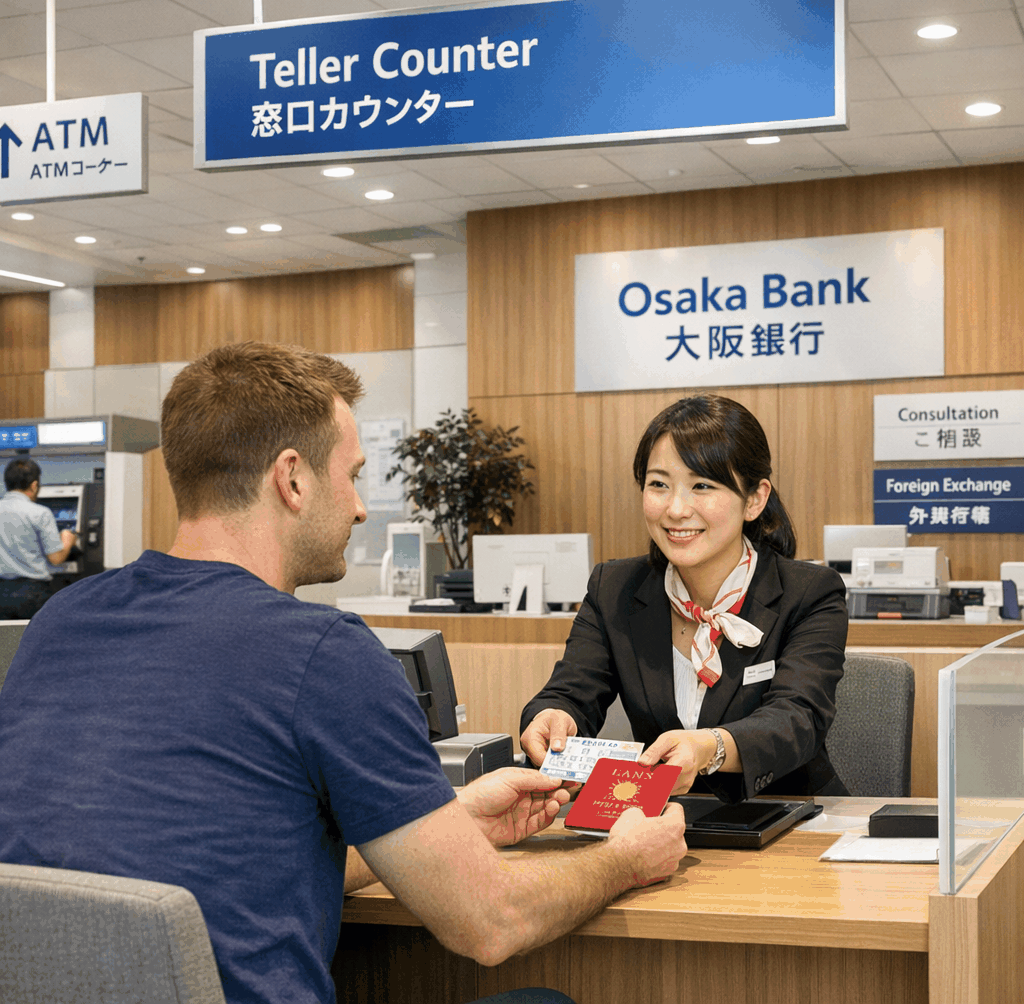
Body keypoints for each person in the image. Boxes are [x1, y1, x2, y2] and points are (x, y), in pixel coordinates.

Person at [0, 341, 687, 1004]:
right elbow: (492, 923)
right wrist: (627, 858)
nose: (360, 506)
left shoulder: (61, 622)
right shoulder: (323, 652)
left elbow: (228, 863)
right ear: (292, 479)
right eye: (353, 475)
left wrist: (456, 828)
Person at [520, 394, 849, 803]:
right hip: (664, 823)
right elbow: (571, 691)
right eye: (659, 484)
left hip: (790, 819)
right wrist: (552, 718)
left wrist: (709, 748)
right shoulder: (614, 588)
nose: (676, 509)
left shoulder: (809, 593)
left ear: (754, 499)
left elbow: (798, 718)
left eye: (702, 486)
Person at [0, 457, 77, 620]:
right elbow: (56, 558)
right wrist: (67, 540)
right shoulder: (40, 513)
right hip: (33, 594)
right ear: (34, 485)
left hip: (2, 591)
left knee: (5, 641)